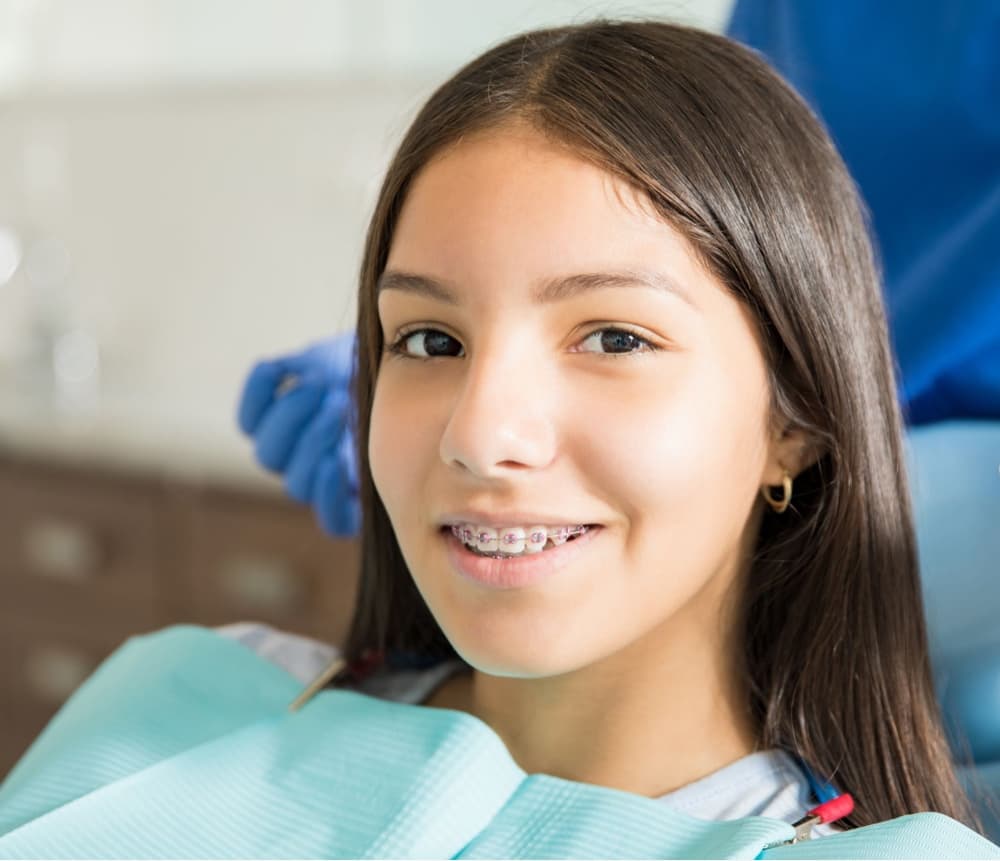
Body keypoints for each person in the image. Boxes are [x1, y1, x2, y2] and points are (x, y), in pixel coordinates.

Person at [231, 15, 987, 837]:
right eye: (427, 340)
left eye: (616, 338)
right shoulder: (202, 699)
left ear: (794, 427)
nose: (479, 434)